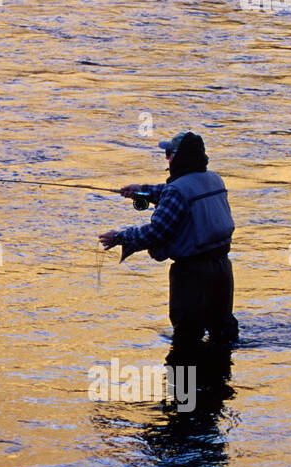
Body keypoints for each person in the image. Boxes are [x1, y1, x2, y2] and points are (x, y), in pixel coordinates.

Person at [98, 131, 239, 378]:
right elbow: (175, 193)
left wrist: (119, 237)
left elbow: (157, 232)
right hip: (222, 269)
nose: (166, 159)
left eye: (168, 154)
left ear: (179, 157)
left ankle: (181, 407)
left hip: (192, 275)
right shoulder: (214, 180)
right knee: (222, 331)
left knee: (186, 339)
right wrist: (142, 191)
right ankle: (217, 391)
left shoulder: (178, 192)